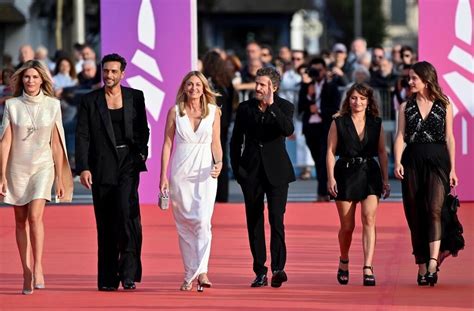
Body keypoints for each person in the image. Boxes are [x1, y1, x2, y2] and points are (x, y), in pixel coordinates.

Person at [75, 53, 150, 291]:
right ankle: (108, 278)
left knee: (127, 215)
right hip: (101, 165)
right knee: (106, 221)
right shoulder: (90, 100)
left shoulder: (135, 97)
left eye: (114, 71)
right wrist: (84, 167)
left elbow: (142, 129)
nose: (109, 75)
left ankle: (128, 273)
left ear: (122, 74)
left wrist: (141, 154)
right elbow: (82, 135)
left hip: (128, 162)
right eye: (105, 71)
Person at [0, 60, 73, 294]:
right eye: (26, 77)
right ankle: (26, 270)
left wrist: (60, 179)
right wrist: (1, 175)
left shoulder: (53, 105)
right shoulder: (11, 105)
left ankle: (39, 265)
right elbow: (5, 142)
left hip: (43, 167)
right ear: (21, 80)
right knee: (19, 221)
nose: (30, 81)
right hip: (16, 168)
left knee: (34, 217)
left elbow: (57, 143)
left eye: (34, 77)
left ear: (42, 80)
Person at [393, 61, 459, 287]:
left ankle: (432, 262)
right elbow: (401, 135)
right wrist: (398, 161)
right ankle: (421, 265)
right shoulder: (405, 106)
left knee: (434, 209)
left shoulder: (444, 104)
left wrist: (453, 168)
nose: (409, 82)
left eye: (414, 78)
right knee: (415, 213)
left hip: (438, 161)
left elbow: (450, 137)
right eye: (409, 78)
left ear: (426, 79)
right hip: (412, 161)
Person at [230, 67, 295, 288]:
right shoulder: (245, 108)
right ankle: (260, 270)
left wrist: (272, 107)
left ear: (273, 87)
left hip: (277, 171)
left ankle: (278, 269)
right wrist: (237, 169)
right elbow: (235, 140)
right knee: (254, 221)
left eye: (262, 84)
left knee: (277, 219)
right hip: (251, 172)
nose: (257, 87)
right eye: (256, 83)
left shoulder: (285, 106)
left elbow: (287, 130)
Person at [159, 71, 222, 292]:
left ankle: (202, 271)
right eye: (190, 84)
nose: (194, 88)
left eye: (198, 84)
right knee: (184, 224)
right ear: (184, 88)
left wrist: (220, 162)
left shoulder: (214, 112)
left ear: (204, 87)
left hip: (205, 173)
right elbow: (167, 144)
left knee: (203, 221)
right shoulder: (175, 112)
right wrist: (163, 176)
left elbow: (216, 142)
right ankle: (189, 273)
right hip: (180, 172)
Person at [326, 83, 390, 286]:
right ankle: (344, 260)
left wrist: (385, 178)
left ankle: (368, 266)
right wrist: (330, 178)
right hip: (344, 172)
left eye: (362, 98)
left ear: (369, 101)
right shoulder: (339, 121)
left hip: (370, 173)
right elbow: (330, 151)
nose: (358, 102)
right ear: (348, 100)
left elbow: (381, 151)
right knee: (347, 226)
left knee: (369, 219)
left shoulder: (376, 122)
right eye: (354, 98)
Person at [298, 57, 341, 201]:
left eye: (319, 70)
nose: (316, 73)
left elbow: (336, 107)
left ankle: (323, 193)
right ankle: (324, 191)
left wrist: (320, 110)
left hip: (326, 127)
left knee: (324, 159)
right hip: (310, 128)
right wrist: (309, 97)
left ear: (324, 70)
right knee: (318, 160)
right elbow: (300, 107)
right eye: (314, 70)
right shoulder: (306, 86)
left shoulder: (331, 85)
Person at [201, 50, 234, 202]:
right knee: (221, 158)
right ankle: (222, 195)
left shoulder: (207, 82)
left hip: (211, 123)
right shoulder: (227, 81)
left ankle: (212, 194)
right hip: (225, 123)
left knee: (209, 157)